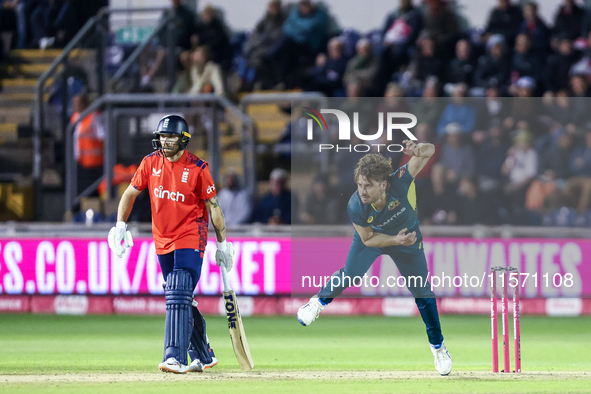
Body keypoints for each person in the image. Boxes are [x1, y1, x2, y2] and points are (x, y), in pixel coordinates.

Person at [296, 146, 453, 376]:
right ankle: (317, 302)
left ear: (384, 184)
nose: (362, 190)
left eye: (368, 185)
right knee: (350, 274)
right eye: (360, 184)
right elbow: (368, 238)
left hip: (407, 240)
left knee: (423, 293)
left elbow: (429, 152)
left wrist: (419, 148)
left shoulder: (400, 180)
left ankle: (438, 347)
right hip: (376, 237)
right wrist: (393, 239)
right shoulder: (355, 205)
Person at [107, 115, 235, 374]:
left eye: (171, 137)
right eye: (162, 136)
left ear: (183, 140)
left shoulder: (198, 168)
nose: (164, 141)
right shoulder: (150, 163)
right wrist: (119, 225)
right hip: (162, 238)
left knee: (178, 286)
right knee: (181, 295)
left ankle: (174, 356)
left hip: (191, 234)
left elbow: (214, 208)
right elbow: (130, 193)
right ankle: (203, 353)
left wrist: (223, 244)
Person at [71, 94, 105, 196]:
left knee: (92, 191)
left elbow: (102, 136)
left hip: (93, 162)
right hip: (80, 161)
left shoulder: (93, 117)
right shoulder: (75, 118)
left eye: (77, 104)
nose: (75, 106)